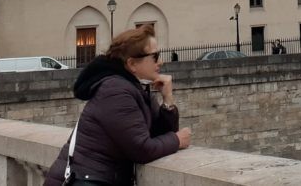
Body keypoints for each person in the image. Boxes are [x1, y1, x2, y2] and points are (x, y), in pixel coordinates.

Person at [44, 24, 191, 186]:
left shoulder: (134, 87)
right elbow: (142, 149)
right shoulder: (115, 91)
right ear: (132, 64)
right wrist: (177, 140)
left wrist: (168, 100)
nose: (161, 62)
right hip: (90, 179)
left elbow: (159, 135)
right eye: (155, 56)